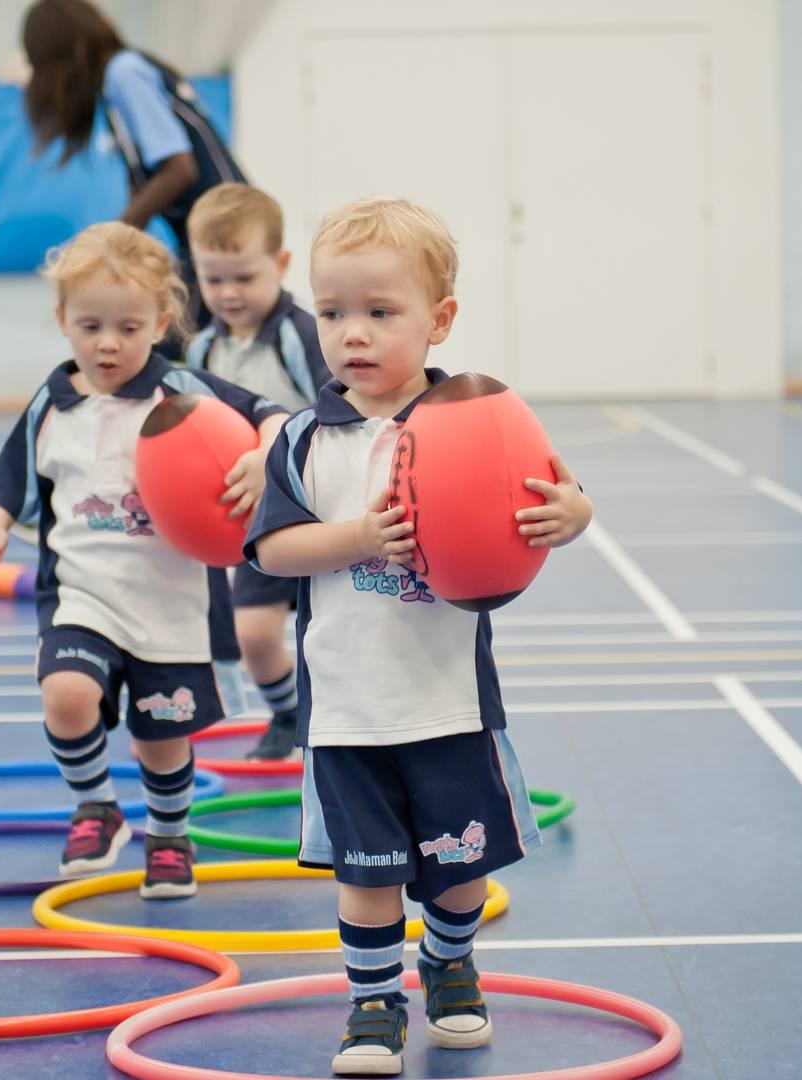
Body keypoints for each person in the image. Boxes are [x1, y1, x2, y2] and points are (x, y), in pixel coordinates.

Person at [244, 197, 594, 1075]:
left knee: (460, 867)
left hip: (448, 702)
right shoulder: (302, 440)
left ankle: (447, 962)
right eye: (332, 313)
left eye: (379, 312)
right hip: (350, 711)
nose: (351, 334)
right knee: (365, 876)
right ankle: (372, 1004)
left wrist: (574, 513)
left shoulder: (474, 417)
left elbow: (555, 494)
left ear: (439, 321)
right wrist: (359, 537)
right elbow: (276, 549)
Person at [0, 221, 287, 899]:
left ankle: (170, 838)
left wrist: (262, 454)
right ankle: (95, 806)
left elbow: (272, 414)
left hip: (169, 605)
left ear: (160, 322)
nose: (107, 343)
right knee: (66, 693)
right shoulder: (52, 405)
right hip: (80, 595)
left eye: (127, 326)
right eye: (89, 326)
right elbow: (8, 481)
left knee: (161, 740)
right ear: (62, 320)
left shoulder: (183, 393)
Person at [185, 183, 325, 761]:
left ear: (281, 264)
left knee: (334, 639)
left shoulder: (301, 335)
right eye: (214, 279)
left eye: (244, 277)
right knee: (257, 636)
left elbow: (336, 409)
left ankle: (339, 727)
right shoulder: (200, 353)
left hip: (317, 510)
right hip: (256, 521)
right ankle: (288, 710)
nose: (228, 293)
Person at [21, 0, 243, 348]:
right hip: (207, 237)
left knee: (161, 346)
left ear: (77, 50)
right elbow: (144, 179)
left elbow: (179, 168)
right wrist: (121, 246)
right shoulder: (115, 85)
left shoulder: (124, 72)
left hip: (223, 238)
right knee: (161, 343)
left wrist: (112, 236)